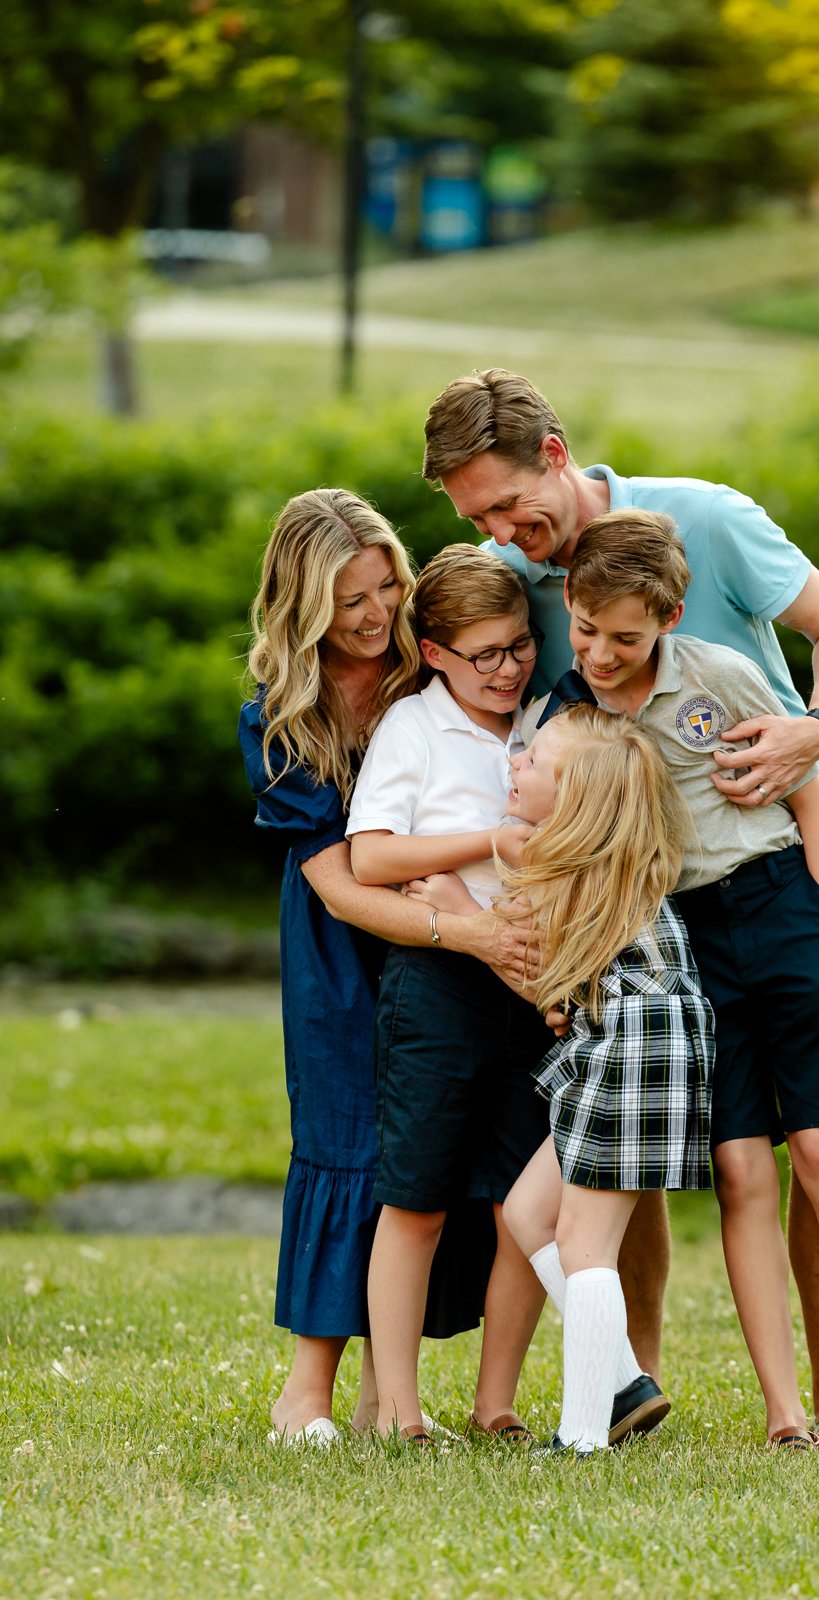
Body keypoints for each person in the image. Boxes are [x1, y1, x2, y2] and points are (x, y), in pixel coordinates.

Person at [423, 367, 819, 1443]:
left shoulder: (707, 520)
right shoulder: (517, 577)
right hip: (647, 913)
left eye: (507, 504)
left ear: (553, 452)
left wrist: (814, 726)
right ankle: (633, 1375)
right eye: (475, 518)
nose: (500, 533)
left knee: (818, 1135)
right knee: (657, 1138)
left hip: (775, 858)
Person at [521, 510, 819, 1454]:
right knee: (740, 1168)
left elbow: (808, 795)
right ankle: (783, 1415)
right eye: (585, 630)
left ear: (672, 615)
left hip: (780, 905)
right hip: (689, 941)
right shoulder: (570, 716)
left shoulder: (719, 676)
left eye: (627, 637)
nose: (603, 652)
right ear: (567, 605)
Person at [239, 489, 533, 1446]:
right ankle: (305, 1393)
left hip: (448, 935)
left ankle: (386, 1395)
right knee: (347, 1140)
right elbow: (339, 885)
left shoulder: (427, 670)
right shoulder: (283, 715)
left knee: (426, 1155)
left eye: (385, 586)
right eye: (349, 600)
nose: (375, 614)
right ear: (305, 605)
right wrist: (464, 932)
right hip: (345, 943)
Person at [345, 543, 555, 1445]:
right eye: (484, 655)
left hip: (533, 983)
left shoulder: (546, 719)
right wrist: (489, 843)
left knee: (523, 1204)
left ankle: (495, 1400)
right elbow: (372, 856)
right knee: (418, 1195)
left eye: (517, 647)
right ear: (433, 653)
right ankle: (397, 1406)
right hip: (436, 984)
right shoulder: (414, 729)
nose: (506, 670)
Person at [495, 705, 714, 1456]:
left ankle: (583, 1436)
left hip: (632, 1052)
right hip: (624, 1046)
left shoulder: (557, 867)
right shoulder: (610, 862)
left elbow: (539, 979)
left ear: (573, 805)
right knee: (527, 1212)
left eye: (533, 764)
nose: (516, 765)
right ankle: (623, 1383)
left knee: (585, 1246)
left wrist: (450, 905)